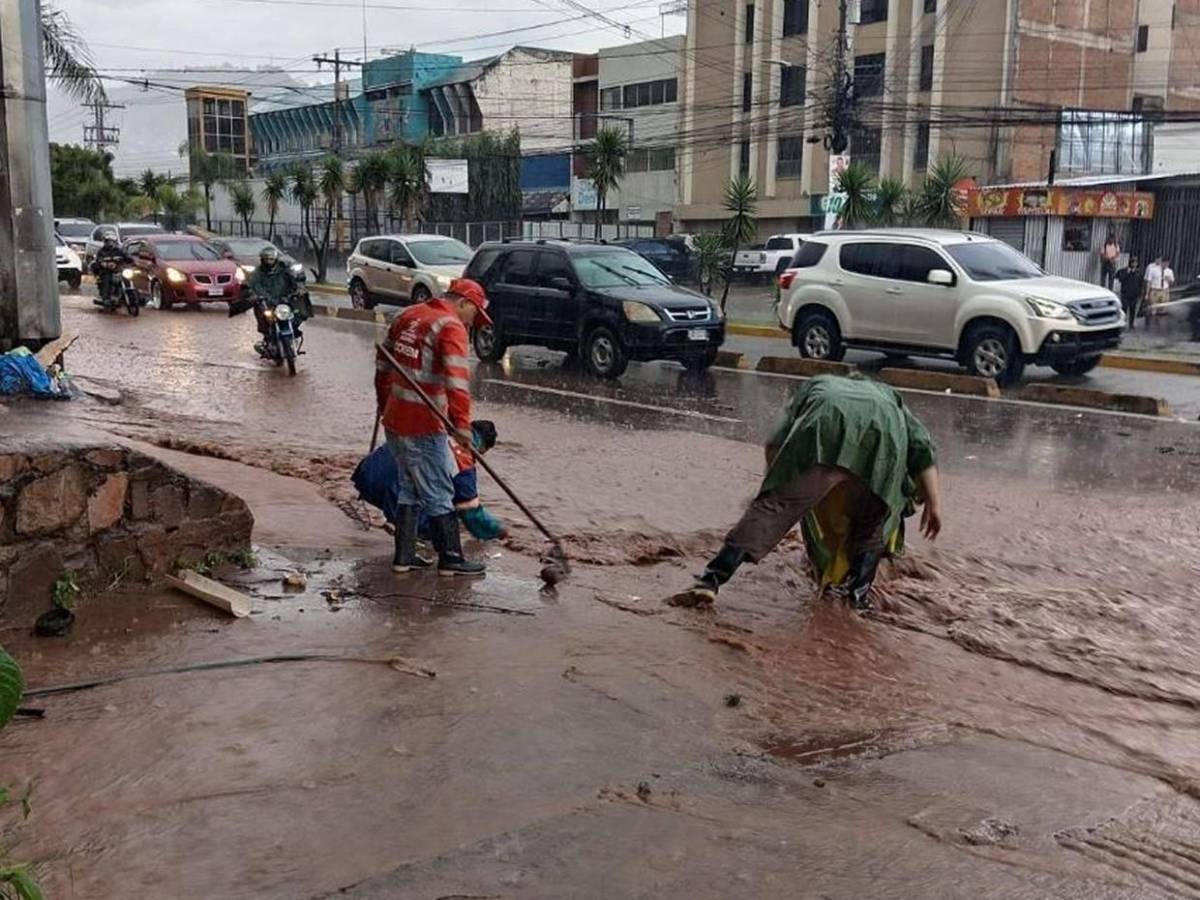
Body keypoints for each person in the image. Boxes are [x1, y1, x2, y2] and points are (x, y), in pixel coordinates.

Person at [668, 375, 942, 611]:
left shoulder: (818, 385)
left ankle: (710, 581)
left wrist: (774, 487)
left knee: (773, 510)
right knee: (871, 522)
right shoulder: (890, 397)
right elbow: (922, 448)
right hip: (883, 446)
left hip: (823, 430)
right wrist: (934, 503)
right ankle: (857, 599)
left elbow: (775, 440)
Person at [374, 277, 492, 577]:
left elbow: (383, 366)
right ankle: (451, 558)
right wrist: (462, 426)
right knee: (440, 490)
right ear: (463, 303)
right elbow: (457, 383)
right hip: (424, 424)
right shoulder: (450, 326)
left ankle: (404, 557)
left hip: (395, 420)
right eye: (474, 313)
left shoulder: (408, 314)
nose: (473, 320)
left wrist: (382, 403)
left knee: (410, 488)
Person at [417, 420, 506, 542]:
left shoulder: (445, 432)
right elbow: (470, 509)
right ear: (483, 447)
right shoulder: (463, 461)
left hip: (389, 467)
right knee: (444, 520)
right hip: (401, 495)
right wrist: (499, 532)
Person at [246, 245, 303, 354]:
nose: (269, 262)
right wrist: (255, 295)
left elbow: (294, 280)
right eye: (266, 259)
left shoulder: (284, 270)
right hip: (266, 302)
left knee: (297, 314)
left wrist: (299, 288)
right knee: (263, 316)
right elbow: (252, 285)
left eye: (271, 259)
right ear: (262, 260)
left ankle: (294, 334)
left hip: (283, 301)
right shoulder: (258, 273)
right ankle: (267, 339)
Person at [91, 234, 132, 306]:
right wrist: (104, 263)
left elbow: (126, 256)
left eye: (112, 241)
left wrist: (130, 259)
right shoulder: (101, 251)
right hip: (107, 271)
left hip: (118, 270)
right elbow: (98, 260)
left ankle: (132, 293)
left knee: (127, 276)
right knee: (106, 278)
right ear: (105, 242)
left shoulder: (119, 250)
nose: (110, 243)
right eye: (108, 241)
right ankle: (106, 297)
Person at [1115, 255, 1144, 328]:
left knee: (1132, 309)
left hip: (1134, 294)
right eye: (1133, 262)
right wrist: (1127, 273)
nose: (1134, 264)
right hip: (1125, 293)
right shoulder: (1124, 270)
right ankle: (1122, 323)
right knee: (1124, 309)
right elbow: (1120, 279)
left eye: (1135, 263)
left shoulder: (1138, 272)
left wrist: (1140, 292)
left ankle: (1131, 324)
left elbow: (1141, 283)